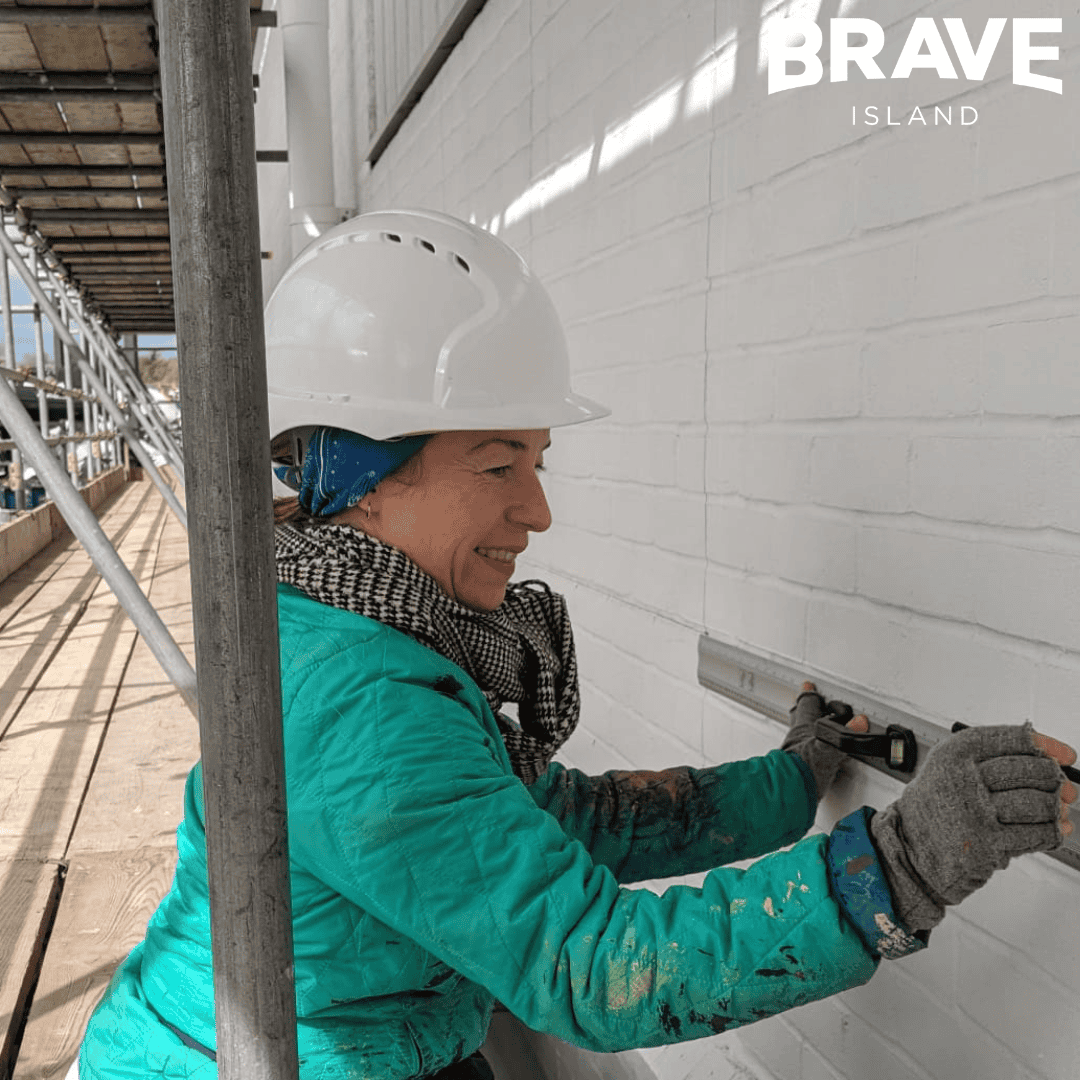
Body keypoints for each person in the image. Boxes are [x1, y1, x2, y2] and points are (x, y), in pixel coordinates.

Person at [74, 210, 1077, 1078]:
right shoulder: (359, 699)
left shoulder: (349, 630)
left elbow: (537, 825)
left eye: (538, 462)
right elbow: (591, 966)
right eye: (501, 463)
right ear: (363, 473)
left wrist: (791, 778)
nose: (537, 510)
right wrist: (901, 866)